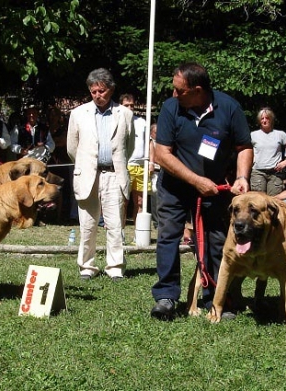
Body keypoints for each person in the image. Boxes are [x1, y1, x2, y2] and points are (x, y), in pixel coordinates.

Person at [150, 62, 252, 320]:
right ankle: (166, 297)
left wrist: (241, 177)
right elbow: (162, 154)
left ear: (197, 90)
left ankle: (216, 299)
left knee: (216, 241)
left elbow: (243, 147)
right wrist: (196, 181)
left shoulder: (229, 108)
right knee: (168, 237)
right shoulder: (170, 108)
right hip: (174, 187)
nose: (174, 94)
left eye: (179, 90)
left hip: (213, 190)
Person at [67, 68, 135, 281]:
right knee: (87, 225)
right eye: (93, 91)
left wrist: (117, 165)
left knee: (114, 224)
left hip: (114, 175)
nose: (97, 95)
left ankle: (115, 267)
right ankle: (86, 266)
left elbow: (129, 146)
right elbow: (72, 148)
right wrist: (87, 165)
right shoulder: (77, 114)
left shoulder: (125, 114)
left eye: (102, 91)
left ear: (111, 89)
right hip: (88, 175)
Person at [250, 107, 286, 196]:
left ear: (271, 119)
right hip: (258, 172)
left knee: (274, 201)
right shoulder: (253, 135)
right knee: (258, 202)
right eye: (262, 118)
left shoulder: (280, 134)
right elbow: (245, 151)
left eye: (267, 118)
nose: (264, 120)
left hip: (276, 173)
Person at [121, 93, 150, 224]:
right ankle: (119, 234)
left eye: (132, 105)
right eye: (126, 105)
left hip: (141, 167)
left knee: (140, 202)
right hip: (125, 166)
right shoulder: (117, 122)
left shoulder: (142, 122)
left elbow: (150, 143)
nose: (130, 108)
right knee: (123, 202)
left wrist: (151, 161)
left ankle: (138, 235)